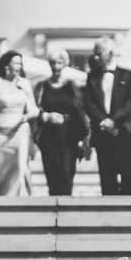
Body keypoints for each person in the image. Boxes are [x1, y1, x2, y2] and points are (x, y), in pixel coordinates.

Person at [85, 37, 131, 197]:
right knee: (107, 177)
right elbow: (88, 103)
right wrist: (103, 120)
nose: (95, 57)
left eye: (99, 53)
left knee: (127, 176)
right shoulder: (92, 77)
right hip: (102, 133)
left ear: (111, 53)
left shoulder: (127, 75)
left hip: (123, 132)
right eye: (94, 53)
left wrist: (113, 120)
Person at [35, 48, 88, 197]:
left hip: (68, 138)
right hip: (48, 137)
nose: (56, 66)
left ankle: (66, 214)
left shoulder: (71, 86)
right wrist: (45, 116)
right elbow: (34, 109)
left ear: (64, 64)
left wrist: (82, 139)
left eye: (59, 63)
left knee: (66, 176)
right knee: (52, 177)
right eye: (52, 63)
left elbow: (79, 113)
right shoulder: (42, 87)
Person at [0, 49, 39, 197]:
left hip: (20, 132)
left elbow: (34, 109)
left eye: (20, 63)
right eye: (16, 63)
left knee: (21, 169)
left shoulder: (25, 84)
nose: (19, 66)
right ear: (6, 66)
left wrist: (25, 117)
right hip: (0, 133)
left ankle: (22, 204)